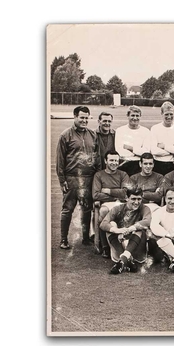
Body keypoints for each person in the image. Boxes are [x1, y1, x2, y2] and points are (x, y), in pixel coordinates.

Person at [56, 105, 99, 249]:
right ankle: (63, 239)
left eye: (86, 118)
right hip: (72, 178)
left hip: (88, 178)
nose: (84, 120)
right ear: (75, 117)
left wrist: (97, 178)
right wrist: (62, 180)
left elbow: (97, 158)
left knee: (86, 209)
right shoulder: (65, 135)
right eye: (82, 117)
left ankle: (86, 238)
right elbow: (60, 160)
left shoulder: (93, 135)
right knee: (68, 209)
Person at [100, 186, 151, 274]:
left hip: (136, 246)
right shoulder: (118, 208)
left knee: (139, 228)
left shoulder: (144, 208)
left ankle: (123, 260)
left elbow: (147, 221)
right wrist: (117, 230)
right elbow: (103, 224)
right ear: (127, 198)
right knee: (111, 224)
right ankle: (125, 259)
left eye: (139, 199)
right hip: (119, 244)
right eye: (133, 199)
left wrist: (130, 228)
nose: (136, 202)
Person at [92, 150, 131, 257]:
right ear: (105, 161)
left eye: (116, 161)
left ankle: (124, 246)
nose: (114, 163)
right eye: (111, 160)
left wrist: (107, 191)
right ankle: (105, 247)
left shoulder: (123, 174)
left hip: (121, 203)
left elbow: (124, 193)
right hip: (106, 204)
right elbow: (95, 195)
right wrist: (116, 193)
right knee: (104, 211)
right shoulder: (99, 175)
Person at [145, 101, 174, 176]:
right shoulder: (155, 128)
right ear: (161, 114)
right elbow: (154, 151)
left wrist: (164, 147)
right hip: (158, 164)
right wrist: (172, 150)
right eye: (166, 114)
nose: (169, 117)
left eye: (171, 114)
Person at [115, 105, 150, 176]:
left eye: (137, 116)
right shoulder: (120, 130)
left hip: (139, 166)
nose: (135, 118)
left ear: (140, 116)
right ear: (128, 116)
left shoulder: (146, 131)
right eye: (132, 115)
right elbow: (119, 151)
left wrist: (130, 148)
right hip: (124, 164)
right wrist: (137, 152)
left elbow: (146, 152)